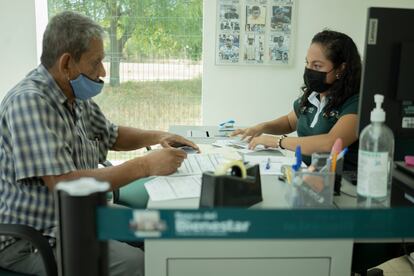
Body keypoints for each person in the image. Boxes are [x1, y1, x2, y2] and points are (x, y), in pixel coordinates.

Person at [0, 11, 199, 276]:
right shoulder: (29, 103)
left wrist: (157, 137)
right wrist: (145, 166)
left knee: (159, 230)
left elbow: (112, 135)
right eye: (96, 63)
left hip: (80, 216)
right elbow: (64, 184)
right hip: (38, 238)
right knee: (139, 265)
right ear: (67, 63)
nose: (103, 71)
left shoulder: (72, 94)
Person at [232, 30, 361, 171]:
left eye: (317, 66)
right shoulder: (314, 95)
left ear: (341, 68)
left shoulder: (356, 103)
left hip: (340, 186)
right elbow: (289, 122)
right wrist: (261, 127)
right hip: (308, 176)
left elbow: (330, 143)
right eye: (307, 63)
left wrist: (278, 142)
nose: (309, 70)